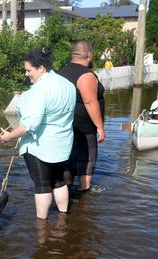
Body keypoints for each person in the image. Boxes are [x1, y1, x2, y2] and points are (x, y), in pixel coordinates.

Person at [0, 47, 75, 219]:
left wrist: (8, 136)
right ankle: (63, 217)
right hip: (62, 144)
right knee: (59, 181)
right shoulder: (68, 85)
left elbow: (29, 125)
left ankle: (42, 224)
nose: (26, 74)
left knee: (42, 185)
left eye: (28, 70)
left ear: (41, 68)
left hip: (40, 147)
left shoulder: (39, 90)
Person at [58, 40, 106, 192]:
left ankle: (67, 195)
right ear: (89, 55)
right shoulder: (86, 75)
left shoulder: (62, 71)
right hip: (84, 128)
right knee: (86, 162)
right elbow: (90, 102)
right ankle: (84, 195)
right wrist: (100, 127)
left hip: (64, 126)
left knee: (68, 162)